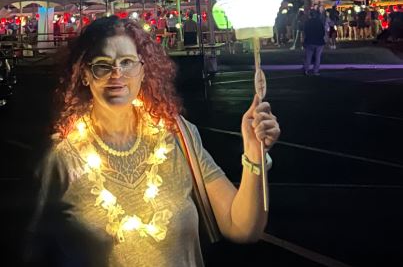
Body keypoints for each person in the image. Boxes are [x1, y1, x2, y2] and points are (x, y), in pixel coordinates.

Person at [27, 16, 280, 266]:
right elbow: (32, 251)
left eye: (127, 62)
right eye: (103, 65)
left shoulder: (178, 135)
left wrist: (254, 152)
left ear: (142, 70)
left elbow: (243, 228)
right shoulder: (60, 158)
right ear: (85, 74)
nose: (117, 73)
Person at [303, 10, 325, 75]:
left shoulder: (307, 22)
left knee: (308, 57)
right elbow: (323, 32)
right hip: (319, 42)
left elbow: (305, 31)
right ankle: (316, 71)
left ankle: (306, 70)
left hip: (309, 41)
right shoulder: (319, 22)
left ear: (310, 15)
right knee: (318, 57)